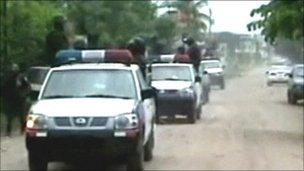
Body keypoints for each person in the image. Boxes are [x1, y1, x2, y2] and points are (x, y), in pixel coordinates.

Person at [2, 63, 31, 136]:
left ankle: (23, 129)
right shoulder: (8, 79)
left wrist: (24, 94)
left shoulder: (21, 78)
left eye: (15, 70)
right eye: (12, 71)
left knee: (22, 114)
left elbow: (28, 86)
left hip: (20, 99)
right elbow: (4, 88)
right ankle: (8, 131)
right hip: (11, 99)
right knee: (9, 116)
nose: (13, 72)